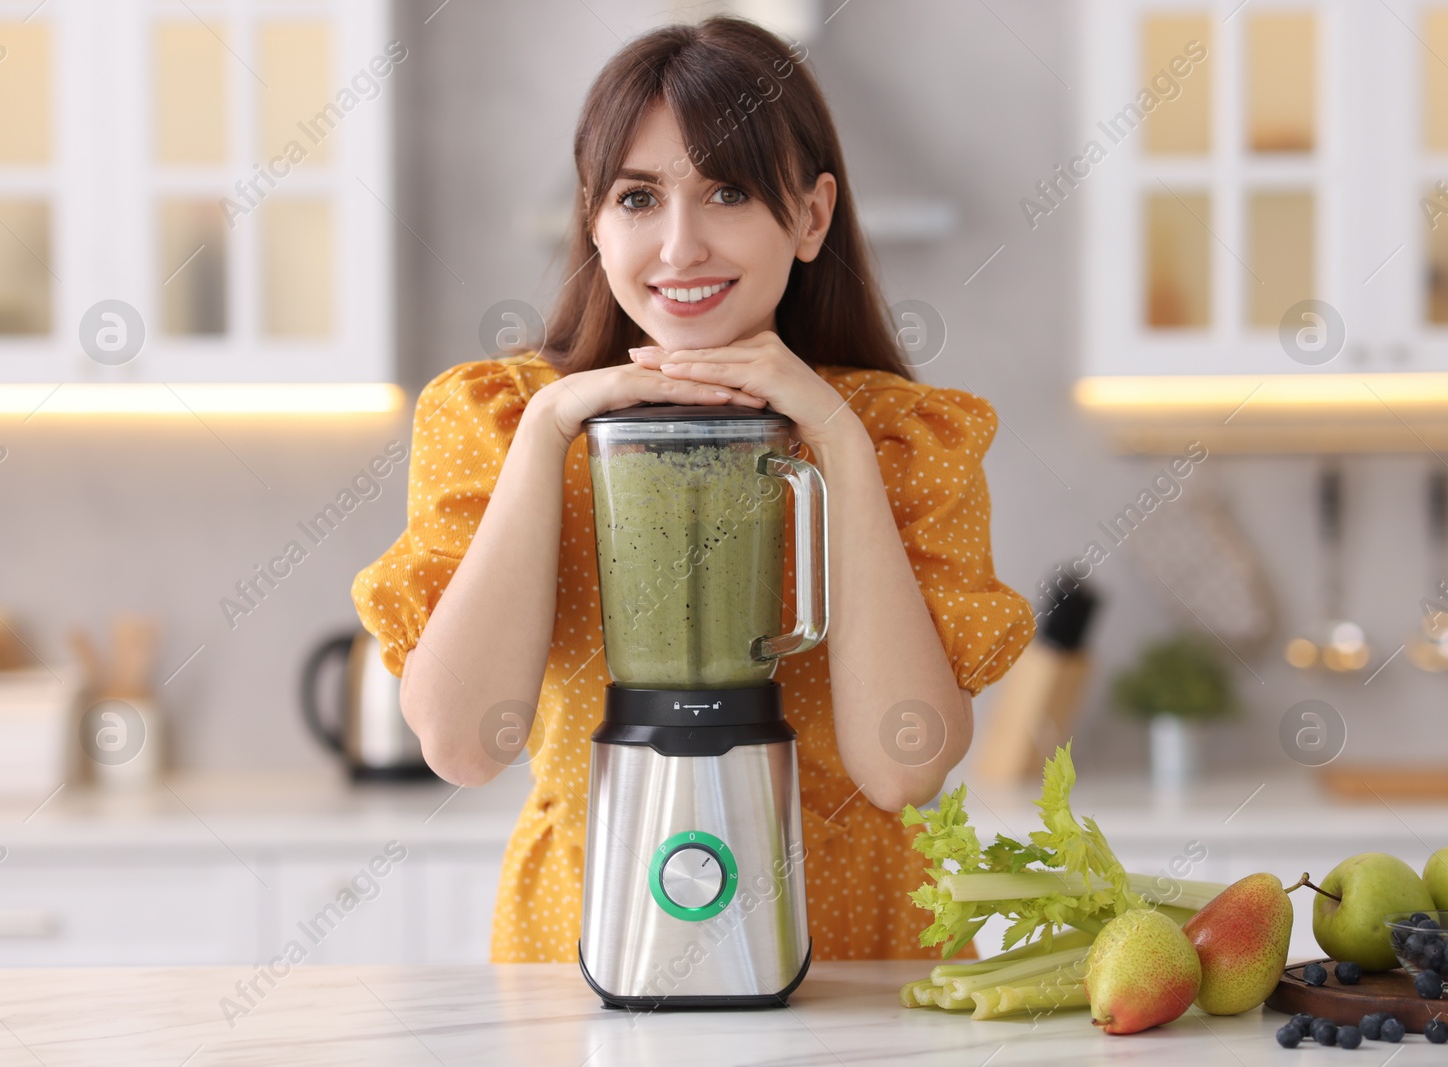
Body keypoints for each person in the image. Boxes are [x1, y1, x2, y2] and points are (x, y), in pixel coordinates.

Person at [353, 15, 1033, 963]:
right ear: (592, 221)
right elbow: (467, 745)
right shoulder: (503, 419)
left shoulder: (902, 439)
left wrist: (834, 436)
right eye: (637, 198)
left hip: (852, 950)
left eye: (727, 191)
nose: (679, 247)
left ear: (810, 216)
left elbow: (901, 766)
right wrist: (552, 434)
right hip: (589, 933)